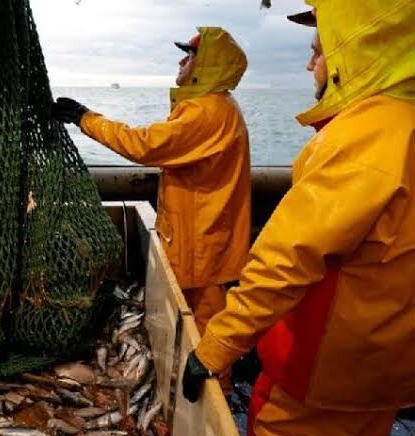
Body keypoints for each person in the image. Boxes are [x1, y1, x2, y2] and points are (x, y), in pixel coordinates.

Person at [182, 2, 415, 435]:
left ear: (356, 54)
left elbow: (285, 261)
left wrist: (213, 349)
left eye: (319, 52)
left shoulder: (361, 138)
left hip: (318, 382)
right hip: (385, 381)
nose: (310, 65)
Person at [53, 26, 251, 398]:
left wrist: (84, 117)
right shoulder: (212, 107)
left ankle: (214, 402)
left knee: (207, 332)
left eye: (189, 55)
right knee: (198, 327)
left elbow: (144, 145)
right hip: (203, 240)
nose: (181, 61)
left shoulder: (207, 111)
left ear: (205, 66)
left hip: (203, 248)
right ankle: (197, 390)